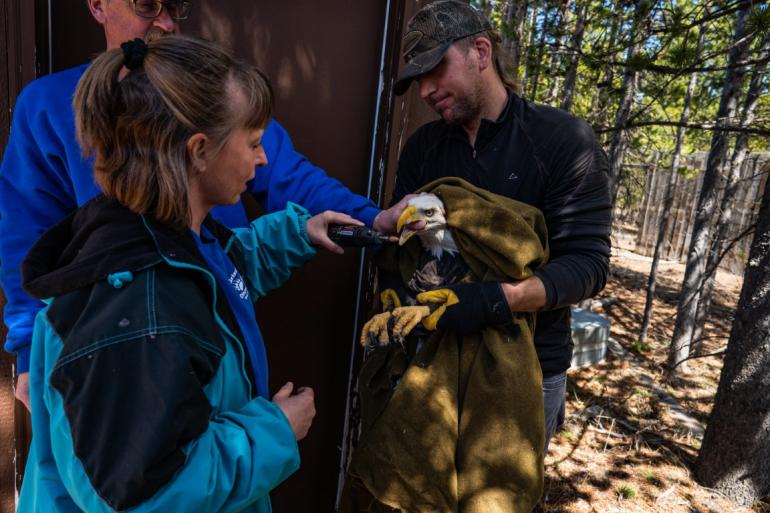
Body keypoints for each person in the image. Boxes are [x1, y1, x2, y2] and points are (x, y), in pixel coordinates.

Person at [0, 0, 407, 411]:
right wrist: (30, 350)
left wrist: (372, 220)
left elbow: (285, 181)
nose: (166, 21)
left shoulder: (211, 97)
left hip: (212, 339)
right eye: (146, 6)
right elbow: (26, 237)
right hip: (118, 349)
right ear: (98, 6)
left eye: (175, 6)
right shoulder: (48, 109)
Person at [18, 34, 358, 513]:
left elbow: (220, 273)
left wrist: (297, 233)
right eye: (255, 143)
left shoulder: (169, 236)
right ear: (199, 151)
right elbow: (149, 496)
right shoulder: (138, 310)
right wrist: (276, 430)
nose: (262, 159)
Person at [389, 0, 612, 451]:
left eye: (436, 69)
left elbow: (587, 265)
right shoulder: (423, 149)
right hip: (432, 358)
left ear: (481, 52)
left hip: (526, 367)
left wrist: (498, 300)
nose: (427, 91)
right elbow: (399, 246)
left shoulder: (561, 141)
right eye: (418, 81)